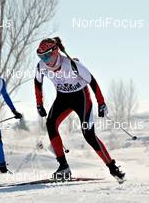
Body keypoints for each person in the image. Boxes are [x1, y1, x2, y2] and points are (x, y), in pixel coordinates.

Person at [34, 37, 125, 181]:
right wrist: (39, 104)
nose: (44, 60)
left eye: (46, 56)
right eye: (41, 56)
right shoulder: (41, 66)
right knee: (50, 124)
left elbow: (92, 82)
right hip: (63, 98)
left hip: (81, 98)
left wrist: (101, 103)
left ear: (55, 52)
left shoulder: (72, 65)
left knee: (88, 134)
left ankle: (113, 168)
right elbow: (37, 83)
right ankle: (63, 166)